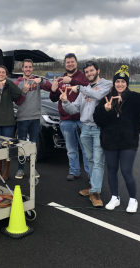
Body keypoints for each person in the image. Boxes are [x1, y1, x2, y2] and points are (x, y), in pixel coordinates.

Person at [93, 65, 140, 213]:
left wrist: (125, 96)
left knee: (126, 171)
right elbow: (98, 120)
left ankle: (133, 199)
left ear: (127, 83)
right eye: (117, 81)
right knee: (111, 170)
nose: (120, 84)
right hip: (110, 142)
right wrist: (106, 110)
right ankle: (115, 197)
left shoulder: (133, 99)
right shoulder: (107, 98)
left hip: (128, 142)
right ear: (114, 83)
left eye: (123, 82)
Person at [60, 61, 112, 207]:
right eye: (87, 72)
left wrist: (80, 88)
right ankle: (92, 185)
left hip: (98, 129)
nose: (89, 73)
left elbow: (97, 95)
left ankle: (95, 192)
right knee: (89, 159)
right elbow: (74, 109)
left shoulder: (106, 85)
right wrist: (65, 102)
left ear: (98, 70)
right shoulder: (85, 89)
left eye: (91, 71)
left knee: (98, 160)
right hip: (85, 128)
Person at [49, 53, 90, 181]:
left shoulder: (83, 77)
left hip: (82, 119)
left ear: (76, 63)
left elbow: (87, 88)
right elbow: (54, 99)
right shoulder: (61, 79)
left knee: (86, 150)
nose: (70, 64)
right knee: (71, 149)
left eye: (72, 62)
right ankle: (74, 171)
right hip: (66, 120)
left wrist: (71, 81)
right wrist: (53, 90)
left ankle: (91, 175)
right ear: (65, 64)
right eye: (68, 62)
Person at [14, 59, 52, 180]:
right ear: (22, 69)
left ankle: (33, 168)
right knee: (22, 145)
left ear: (32, 68)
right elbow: (16, 100)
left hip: (35, 118)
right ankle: (20, 169)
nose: (28, 69)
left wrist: (42, 80)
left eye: (30, 67)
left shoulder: (37, 81)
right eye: (26, 67)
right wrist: (24, 91)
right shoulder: (18, 82)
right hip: (22, 118)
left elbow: (50, 88)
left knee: (33, 146)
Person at [0, 65, 24, 180]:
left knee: (7, 147)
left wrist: (9, 83)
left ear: (6, 75)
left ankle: (6, 171)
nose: (1, 74)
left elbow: (18, 93)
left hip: (8, 122)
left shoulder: (9, 87)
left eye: (3, 72)